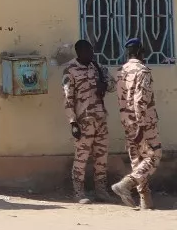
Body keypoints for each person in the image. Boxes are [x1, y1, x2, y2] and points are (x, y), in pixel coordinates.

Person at [111, 38, 162, 210]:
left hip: (127, 120)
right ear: (141, 52)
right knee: (154, 155)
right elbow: (141, 99)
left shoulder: (120, 71)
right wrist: (141, 124)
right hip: (143, 122)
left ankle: (145, 201)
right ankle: (126, 183)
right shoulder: (143, 71)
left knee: (137, 159)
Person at [61, 39, 114, 203]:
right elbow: (67, 98)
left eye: (92, 51)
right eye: (88, 51)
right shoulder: (70, 70)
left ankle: (101, 191)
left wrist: (104, 85)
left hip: (100, 119)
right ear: (79, 52)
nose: (91, 54)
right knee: (81, 157)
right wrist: (72, 122)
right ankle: (79, 193)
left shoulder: (97, 67)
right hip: (83, 121)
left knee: (101, 157)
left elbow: (112, 85)